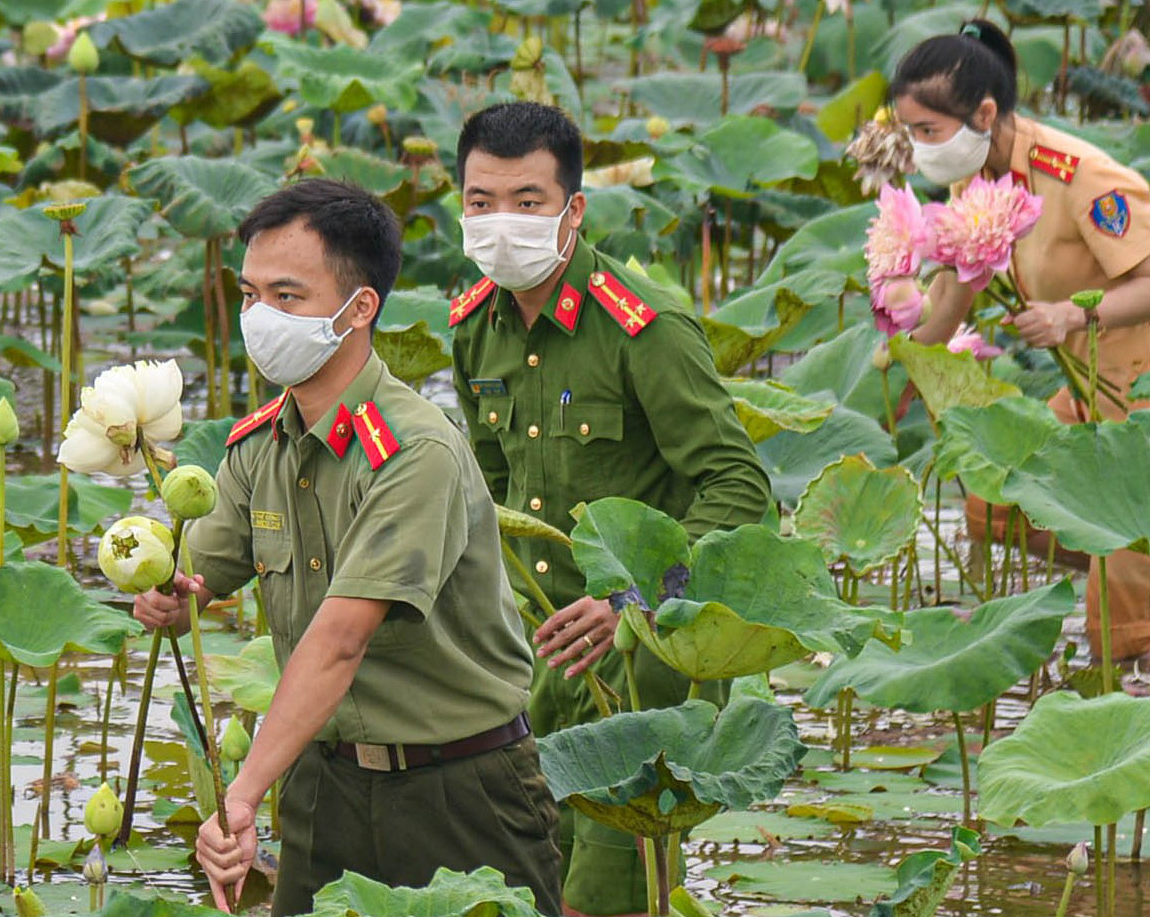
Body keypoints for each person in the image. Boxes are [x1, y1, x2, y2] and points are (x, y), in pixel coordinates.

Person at [133, 179, 562, 917]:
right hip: (322, 787)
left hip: (458, 788)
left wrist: (240, 794)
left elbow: (339, 640)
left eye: (288, 297)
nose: (260, 318)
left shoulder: (415, 450)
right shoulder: (258, 443)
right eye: (250, 295)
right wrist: (166, 592)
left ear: (359, 308)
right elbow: (198, 579)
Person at [447, 102, 772, 917]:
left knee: (611, 901)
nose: (501, 223)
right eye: (481, 202)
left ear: (573, 209)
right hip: (530, 663)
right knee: (521, 892)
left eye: (527, 202)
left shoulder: (645, 326)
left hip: (639, 664)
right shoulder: (471, 328)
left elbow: (739, 486)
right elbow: (488, 495)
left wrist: (632, 599)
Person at [896, 20, 1150, 662]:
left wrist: (1067, 316)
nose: (920, 149)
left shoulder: (1083, 175)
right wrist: (904, 341)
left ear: (982, 112)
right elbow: (955, 297)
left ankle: (1141, 583)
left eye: (928, 132)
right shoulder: (972, 174)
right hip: (1083, 385)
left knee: (1117, 642)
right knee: (989, 508)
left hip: (1146, 385)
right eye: (912, 133)